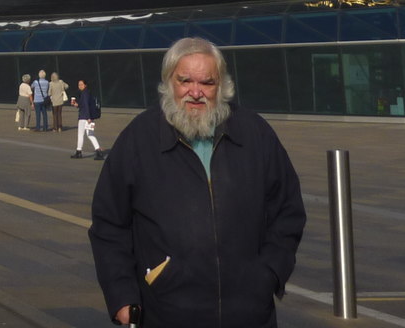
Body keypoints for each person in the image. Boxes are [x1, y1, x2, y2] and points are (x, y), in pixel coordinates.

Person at [90, 37, 304, 327]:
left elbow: (288, 212)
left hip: (248, 312)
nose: (195, 92)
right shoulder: (138, 139)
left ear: (222, 87)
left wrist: (269, 273)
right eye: (185, 81)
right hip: (166, 310)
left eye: (207, 83)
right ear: (168, 83)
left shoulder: (256, 135)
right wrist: (122, 296)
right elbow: (109, 224)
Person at [72, 78, 104, 160]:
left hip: (84, 117)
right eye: (79, 84)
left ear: (85, 85)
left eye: (81, 84)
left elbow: (86, 105)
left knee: (81, 134)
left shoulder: (84, 93)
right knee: (90, 134)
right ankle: (98, 151)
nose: (80, 86)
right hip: (87, 116)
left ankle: (79, 152)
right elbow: (84, 104)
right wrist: (77, 105)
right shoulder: (86, 93)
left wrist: (88, 117)